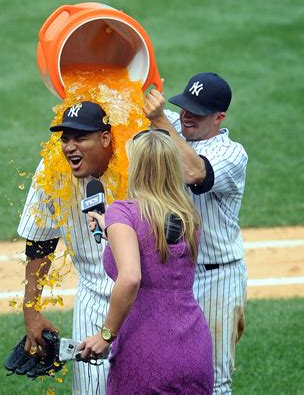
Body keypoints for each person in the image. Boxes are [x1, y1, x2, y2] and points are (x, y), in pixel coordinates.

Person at [79, 129, 214, 394]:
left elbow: (131, 277)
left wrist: (105, 335)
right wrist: (111, 229)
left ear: (137, 167)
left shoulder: (123, 211)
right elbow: (156, 242)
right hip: (194, 347)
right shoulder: (188, 216)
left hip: (145, 346)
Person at [143, 72, 248, 394]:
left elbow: (194, 173)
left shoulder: (232, 154)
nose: (186, 116)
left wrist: (161, 120)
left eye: (197, 113)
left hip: (217, 279)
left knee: (213, 379)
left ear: (219, 117)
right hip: (172, 278)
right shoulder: (175, 123)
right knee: (169, 372)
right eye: (184, 107)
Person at [17, 101, 115, 394]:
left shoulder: (138, 160)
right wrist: (31, 311)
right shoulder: (52, 169)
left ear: (105, 138)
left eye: (81, 137)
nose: (70, 147)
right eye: (65, 138)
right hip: (93, 300)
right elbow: (40, 242)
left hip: (145, 301)